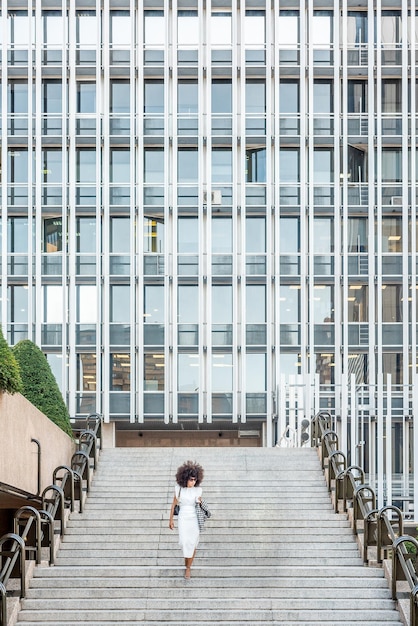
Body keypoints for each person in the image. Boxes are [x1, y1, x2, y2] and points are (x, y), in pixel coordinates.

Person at [169, 460, 204, 579]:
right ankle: (186, 564)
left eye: (195, 480)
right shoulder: (179, 489)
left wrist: (200, 502)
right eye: (191, 479)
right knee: (185, 542)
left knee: (192, 542)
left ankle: (188, 568)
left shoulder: (198, 490)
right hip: (183, 516)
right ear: (185, 478)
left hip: (194, 518)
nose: (193, 482)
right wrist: (171, 520)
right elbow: (173, 505)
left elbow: (200, 505)